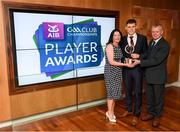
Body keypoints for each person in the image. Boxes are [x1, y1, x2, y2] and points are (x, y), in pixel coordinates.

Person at [133, 24, 170, 127]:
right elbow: (148, 55)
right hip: (148, 75)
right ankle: (151, 113)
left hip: (158, 76)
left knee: (158, 98)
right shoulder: (152, 42)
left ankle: (157, 116)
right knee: (149, 97)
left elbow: (156, 60)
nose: (154, 33)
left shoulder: (164, 45)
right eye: (153, 31)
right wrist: (139, 55)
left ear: (161, 32)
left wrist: (140, 62)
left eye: (157, 31)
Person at [120, 19, 148, 126]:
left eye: (133, 26)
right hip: (126, 69)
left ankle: (136, 114)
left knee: (137, 92)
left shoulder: (142, 38)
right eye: (129, 27)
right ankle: (128, 109)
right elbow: (121, 54)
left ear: (136, 27)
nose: (131, 29)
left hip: (137, 69)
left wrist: (139, 56)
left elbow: (147, 53)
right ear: (126, 28)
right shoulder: (122, 39)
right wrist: (125, 61)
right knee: (127, 90)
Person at [104, 29, 133, 123]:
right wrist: (126, 65)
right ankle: (110, 113)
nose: (117, 37)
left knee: (115, 93)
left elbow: (120, 59)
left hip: (118, 71)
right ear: (112, 37)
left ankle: (110, 111)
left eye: (119, 35)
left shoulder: (119, 46)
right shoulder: (109, 46)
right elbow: (111, 62)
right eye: (115, 35)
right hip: (110, 72)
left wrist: (129, 60)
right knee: (111, 93)